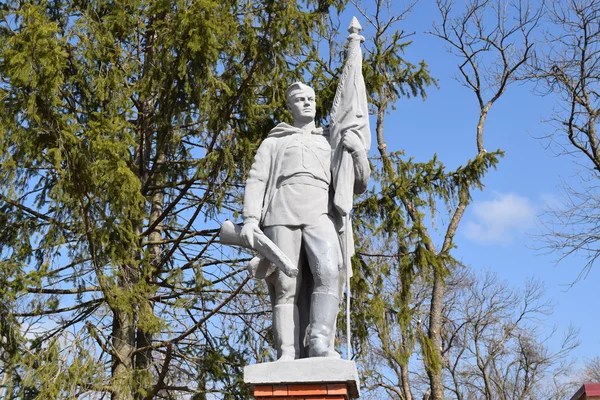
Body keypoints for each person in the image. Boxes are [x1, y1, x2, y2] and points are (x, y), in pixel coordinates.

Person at [241, 82, 370, 361]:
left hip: (319, 213)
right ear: (290, 106)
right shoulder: (274, 141)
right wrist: (251, 219)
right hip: (281, 213)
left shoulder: (330, 141)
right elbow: (257, 179)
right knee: (285, 285)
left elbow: (358, 185)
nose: (307, 103)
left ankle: (320, 341)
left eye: (311, 98)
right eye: (300, 99)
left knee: (330, 272)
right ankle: (287, 351)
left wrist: (358, 152)